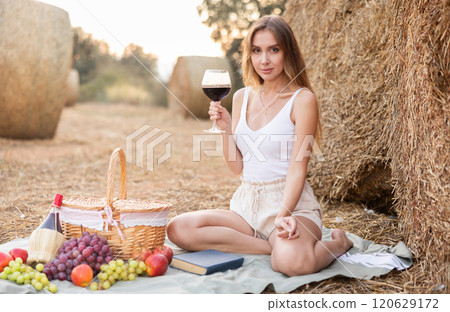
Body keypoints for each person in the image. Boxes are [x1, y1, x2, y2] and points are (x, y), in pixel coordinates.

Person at [167, 15, 353, 277]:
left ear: (287, 52)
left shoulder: (302, 99)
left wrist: (282, 215)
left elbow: (298, 169)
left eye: (273, 50)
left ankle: (339, 243)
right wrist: (226, 130)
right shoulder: (242, 97)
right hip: (247, 206)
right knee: (178, 229)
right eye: (257, 51)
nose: (264, 60)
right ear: (249, 55)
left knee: (292, 264)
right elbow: (237, 168)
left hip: (291, 205)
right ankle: (269, 247)